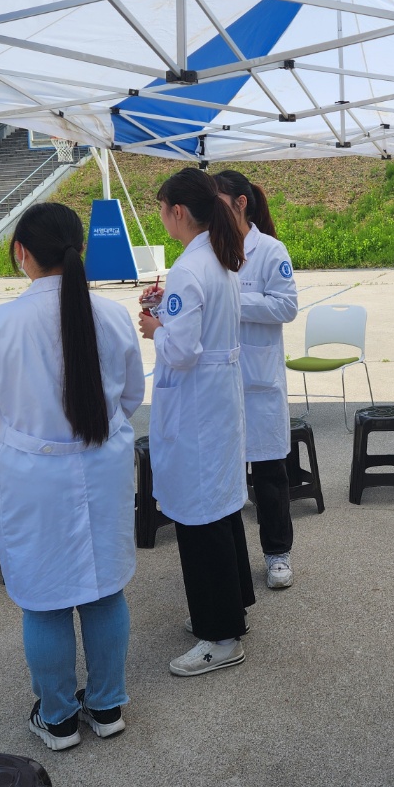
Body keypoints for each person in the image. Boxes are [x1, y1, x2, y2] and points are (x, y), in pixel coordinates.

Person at [0, 203, 145, 752]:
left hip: (33, 476)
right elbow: (131, 396)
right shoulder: (112, 316)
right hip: (101, 465)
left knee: (45, 596)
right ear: (79, 249)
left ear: (21, 253)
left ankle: (57, 718)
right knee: (104, 588)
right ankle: (107, 706)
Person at [138, 167, 253, 677]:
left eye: (163, 210)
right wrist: (166, 315)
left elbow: (182, 350)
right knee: (220, 506)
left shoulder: (189, 268)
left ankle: (220, 636)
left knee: (200, 516)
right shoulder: (221, 258)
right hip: (216, 400)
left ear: (178, 211)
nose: (162, 218)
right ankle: (231, 606)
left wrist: (155, 328)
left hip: (198, 406)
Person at [213, 170, 300, 590]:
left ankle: (277, 554)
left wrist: (233, 301)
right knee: (225, 476)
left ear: (240, 203)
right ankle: (228, 561)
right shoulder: (210, 249)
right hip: (220, 382)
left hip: (259, 382)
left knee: (268, 475)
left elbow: (286, 306)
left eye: (217, 201)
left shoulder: (269, 250)